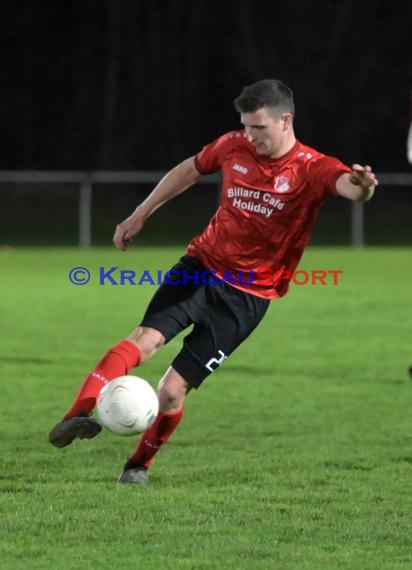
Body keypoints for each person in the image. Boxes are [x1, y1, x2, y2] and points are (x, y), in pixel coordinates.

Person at [49, 79, 378, 484]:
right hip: (200, 266)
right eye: (245, 125)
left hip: (246, 297)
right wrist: (140, 213)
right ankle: (76, 414)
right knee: (144, 340)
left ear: (285, 121)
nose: (249, 135)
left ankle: (137, 467)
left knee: (171, 391)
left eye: (258, 127)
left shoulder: (312, 166)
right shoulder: (233, 145)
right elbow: (189, 169)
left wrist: (362, 187)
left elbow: (347, 185)